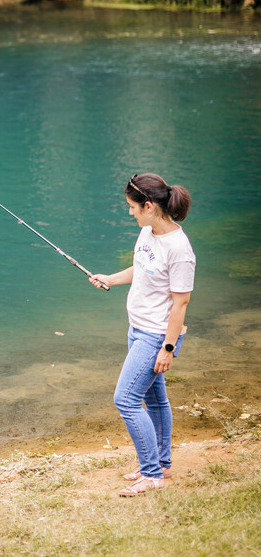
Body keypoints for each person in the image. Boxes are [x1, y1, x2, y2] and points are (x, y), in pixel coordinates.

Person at [90, 173, 196, 497]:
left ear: (148, 206)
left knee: (125, 399)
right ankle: (161, 463)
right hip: (136, 328)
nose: (130, 212)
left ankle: (151, 474)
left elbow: (181, 303)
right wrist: (110, 278)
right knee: (154, 399)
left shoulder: (180, 250)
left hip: (156, 335)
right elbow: (142, 269)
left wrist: (167, 348)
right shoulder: (148, 232)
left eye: (132, 207)